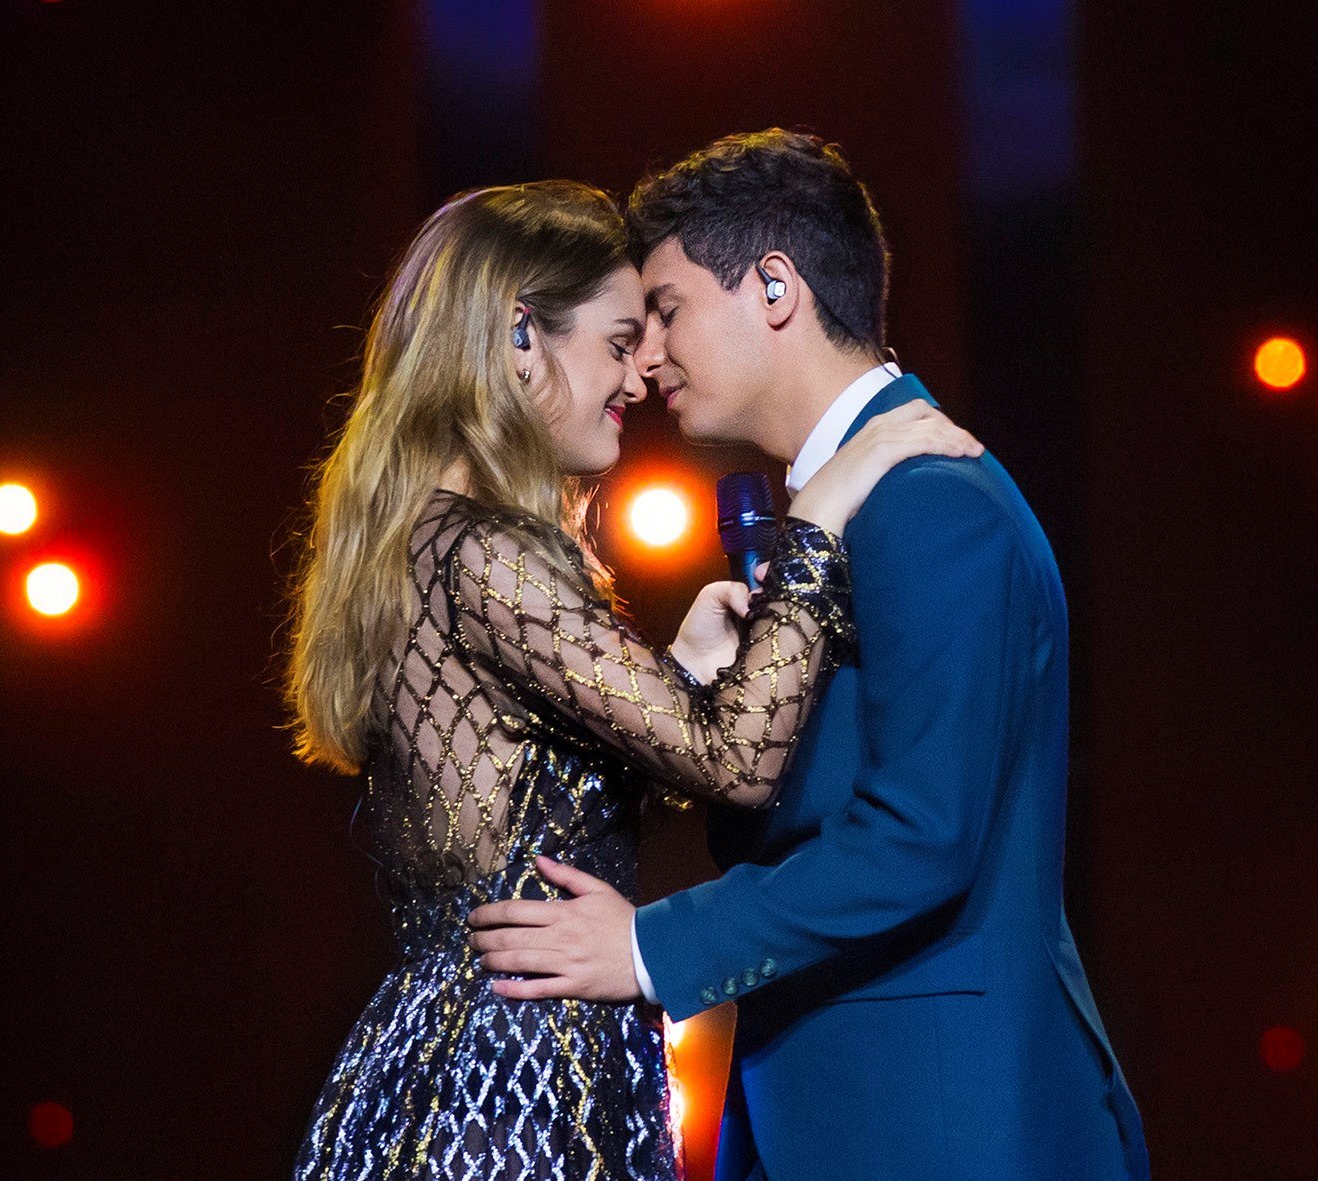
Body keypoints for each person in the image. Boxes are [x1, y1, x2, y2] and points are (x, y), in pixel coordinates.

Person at [468, 131, 1150, 1179]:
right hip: (841, 1103)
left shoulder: (927, 503)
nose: (645, 359)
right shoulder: (847, 510)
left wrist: (649, 948)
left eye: (665, 309)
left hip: (941, 1118)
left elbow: (920, 832)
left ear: (773, 287)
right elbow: (780, 823)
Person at [284, 178, 980, 1180]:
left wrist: (679, 669)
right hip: (511, 1075)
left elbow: (527, 805)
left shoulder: (429, 538)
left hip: (481, 1053)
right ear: (520, 334)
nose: (640, 374)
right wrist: (817, 526)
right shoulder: (486, 553)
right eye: (618, 341)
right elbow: (737, 763)